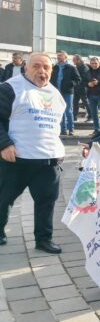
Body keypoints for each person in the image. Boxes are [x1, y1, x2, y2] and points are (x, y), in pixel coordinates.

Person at [0, 53, 66, 252]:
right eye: (36, 66)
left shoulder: (56, 95)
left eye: (46, 67)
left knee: (47, 201)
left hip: (48, 160)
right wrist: (4, 144)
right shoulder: (10, 88)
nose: (42, 71)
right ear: (26, 68)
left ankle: (44, 239)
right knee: (3, 198)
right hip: (16, 159)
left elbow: (55, 126)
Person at [50, 50, 81, 136]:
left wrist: (70, 84)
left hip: (67, 92)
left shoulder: (71, 67)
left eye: (60, 56)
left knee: (68, 111)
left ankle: (71, 129)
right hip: (57, 92)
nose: (58, 57)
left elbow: (78, 79)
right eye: (58, 56)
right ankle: (63, 130)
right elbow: (51, 79)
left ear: (65, 57)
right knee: (60, 111)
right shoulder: (54, 67)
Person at [71, 54, 90, 122]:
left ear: (78, 60)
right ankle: (74, 117)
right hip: (76, 88)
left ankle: (90, 116)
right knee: (75, 103)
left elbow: (84, 78)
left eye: (74, 60)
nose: (73, 61)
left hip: (82, 88)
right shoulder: (77, 67)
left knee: (85, 102)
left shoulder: (84, 67)